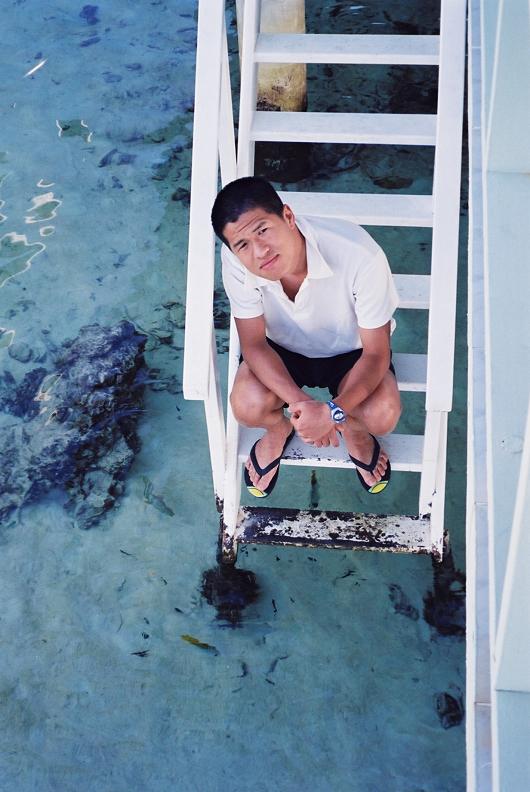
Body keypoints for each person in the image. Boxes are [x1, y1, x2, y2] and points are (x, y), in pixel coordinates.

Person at [211, 176, 401, 498]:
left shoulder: (360, 255)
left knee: (382, 415)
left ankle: (353, 429)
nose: (260, 251)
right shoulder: (235, 260)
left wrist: (333, 412)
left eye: (263, 230)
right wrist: (303, 406)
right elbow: (254, 344)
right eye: (243, 244)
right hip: (282, 349)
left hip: (351, 351)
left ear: (288, 216)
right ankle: (278, 428)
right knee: (246, 406)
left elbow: (376, 354)